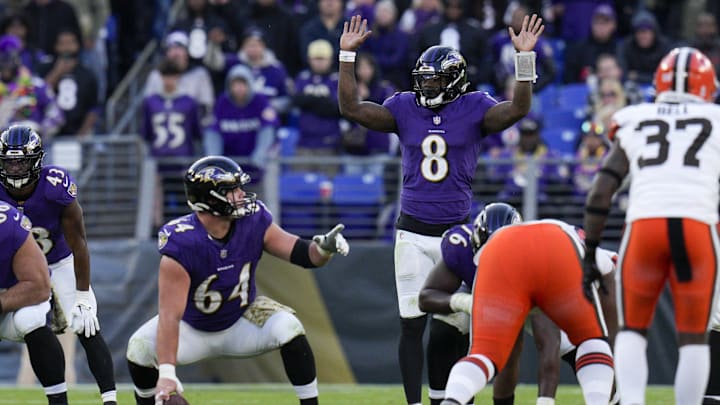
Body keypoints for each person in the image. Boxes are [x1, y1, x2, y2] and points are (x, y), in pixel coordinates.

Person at [338, 13, 544, 405]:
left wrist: (524, 61)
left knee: (450, 331)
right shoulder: (404, 107)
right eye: (422, 79)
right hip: (413, 233)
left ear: (452, 80)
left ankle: (439, 400)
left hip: (455, 236)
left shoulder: (475, 107)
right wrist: (346, 58)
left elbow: (517, 109)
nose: (425, 86)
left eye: (433, 80)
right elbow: (353, 109)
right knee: (412, 325)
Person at [126, 155, 350, 405]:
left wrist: (324, 250)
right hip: (192, 328)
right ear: (210, 199)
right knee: (139, 349)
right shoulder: (182, 242)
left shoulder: (253, 220)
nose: (242, 194)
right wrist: (167, 374)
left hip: (241, 318)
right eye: (233, 190)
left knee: (289, 328)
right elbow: (170, 316)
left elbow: (303, 255)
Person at [583, 46, 720, 405]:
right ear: (708, 86)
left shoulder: (635, 117)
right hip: (697, 227)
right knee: (694, 337)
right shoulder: (716, 119)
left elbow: (600, 192)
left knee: (632, 332)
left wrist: (591, 251)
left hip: (644, 227)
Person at [420, 203, 618, 405]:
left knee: (484, 354)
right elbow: (550, 342)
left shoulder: (486, 246)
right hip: (556, 247)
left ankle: (452, 401)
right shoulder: (592, 253)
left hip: (501, 255)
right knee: (592, 342)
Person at [0, 125, 117, 405]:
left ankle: (111, 400)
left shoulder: (55, 186)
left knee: (87, 324)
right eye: (9, 163)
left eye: (21, 162)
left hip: (57, 262)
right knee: (34, 322)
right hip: (16, 272)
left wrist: (83, 295)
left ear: (37, 160)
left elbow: (79, 243)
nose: (15, 169)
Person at [0, 200, 69, 405]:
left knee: (30, 319)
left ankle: (58, 400)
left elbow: (38, 286)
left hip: (13, 301)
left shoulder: (7, 222)